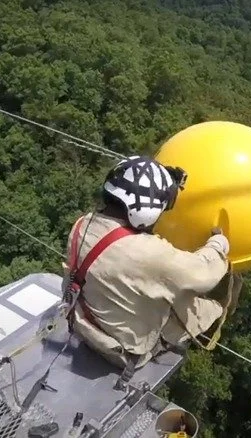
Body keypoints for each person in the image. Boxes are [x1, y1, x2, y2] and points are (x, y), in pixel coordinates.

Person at [62, 155, 232, 371]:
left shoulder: (82, 224)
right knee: (204, 308)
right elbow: (204, 274)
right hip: (120, 350)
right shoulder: (147, 252)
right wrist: (218, 244)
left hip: (83, 323)